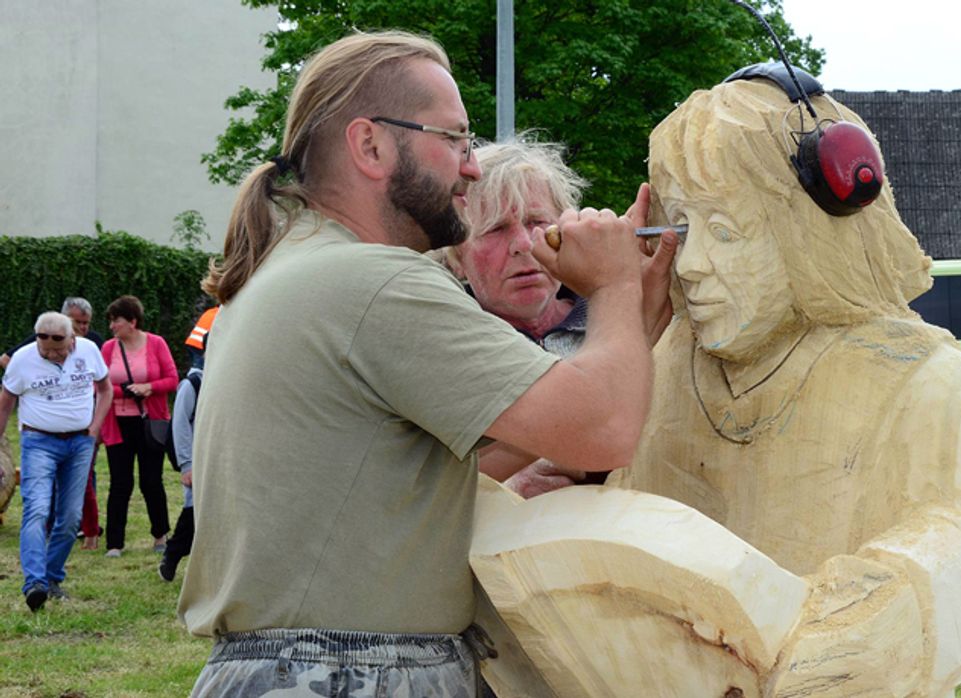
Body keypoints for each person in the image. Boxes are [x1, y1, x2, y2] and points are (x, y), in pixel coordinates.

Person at [177, 30, 672, 697]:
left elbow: (443, 466)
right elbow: (604, 429)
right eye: (456, 140)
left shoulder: (298, 269)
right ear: (371, 145)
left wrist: (630, 323)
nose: (471, 168)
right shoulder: (371, 281)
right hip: (351, 674)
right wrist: (612, 286)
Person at [611, 74, 961, 695]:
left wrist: (885, 617)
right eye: (682, 228)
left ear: (809, 233)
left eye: (724, 232)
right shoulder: (661, 365)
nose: (689, 266)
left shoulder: (926, 383)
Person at [441, 139, 678, 497]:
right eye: (495, 229)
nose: (523, 243)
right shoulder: (440, 345)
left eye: (538, 222)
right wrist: (501, 492)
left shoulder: (627, 315)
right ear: (456, 258)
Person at [0, 312, 112, 611]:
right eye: (44, 348)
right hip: (39, 442)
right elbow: (5, 403)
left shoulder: (88, 350)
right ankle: (34, 582)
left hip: (79, 443)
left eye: (57, 349)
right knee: (36, 509)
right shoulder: (23, 359)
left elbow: (105, 389)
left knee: (71, 516)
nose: (50, 353)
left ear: (71, 339)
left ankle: (51, 578)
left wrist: (95, 426)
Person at [100, 295, 177, 557]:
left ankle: (160, 535)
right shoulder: (109, 349)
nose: (112, 326)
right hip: (117, 423)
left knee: (151, 481)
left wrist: (148, 387)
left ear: (132, 321)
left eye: (116, 320)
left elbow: (172, 379)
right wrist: (124, 392)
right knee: (120, 482)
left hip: (149, 423)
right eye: (110, 321)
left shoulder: (156, 343)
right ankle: (114, 543)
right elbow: (98, 385)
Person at [159, 332, 206, 582]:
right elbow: (179, 426)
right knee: (193, 511)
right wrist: (186, 464)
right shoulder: (192, 384)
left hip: (220, 457)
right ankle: (173, 555)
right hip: (197, 460)